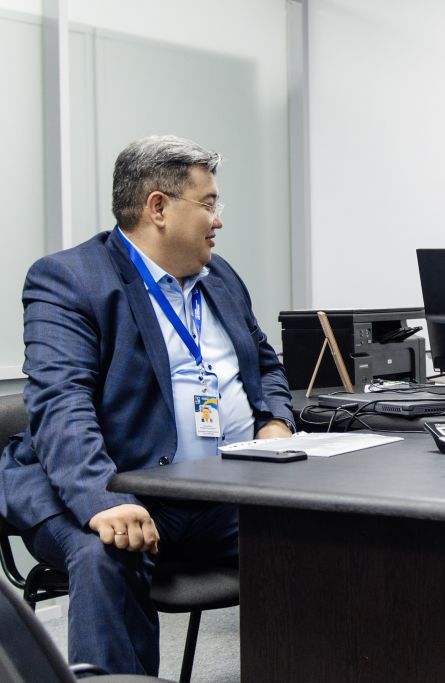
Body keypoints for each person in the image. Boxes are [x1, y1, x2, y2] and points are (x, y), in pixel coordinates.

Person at [0, 135, 294, 676]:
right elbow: (61, 403)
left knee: (324, 536)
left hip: (214, 490)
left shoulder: (221, 278)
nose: (219, 220)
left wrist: (274, 421)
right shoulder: (70, 279)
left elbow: (267, 366)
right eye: (208, 203)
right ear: (158, 207)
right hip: (111, 486)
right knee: (105, 552)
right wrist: (103, 500)